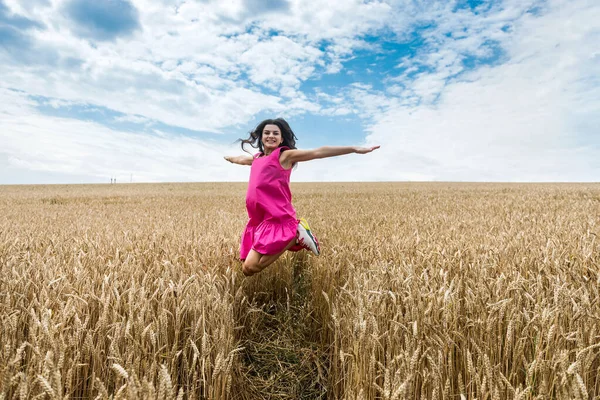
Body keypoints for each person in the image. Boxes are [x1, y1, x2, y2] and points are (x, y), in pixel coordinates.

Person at [225, 118, 379, 277]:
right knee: (246, 269)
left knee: (251, 268)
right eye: (267, 133)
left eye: (275, 133)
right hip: (260, 219)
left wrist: (354, 149)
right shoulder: (257, 159)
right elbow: (241, 160)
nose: (271, 136)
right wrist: (228, 158)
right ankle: (295, 237)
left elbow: (318, 152)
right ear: (261, 137)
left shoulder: (284, 156)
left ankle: (294, 236)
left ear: (282, 138)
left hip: (278, 218)